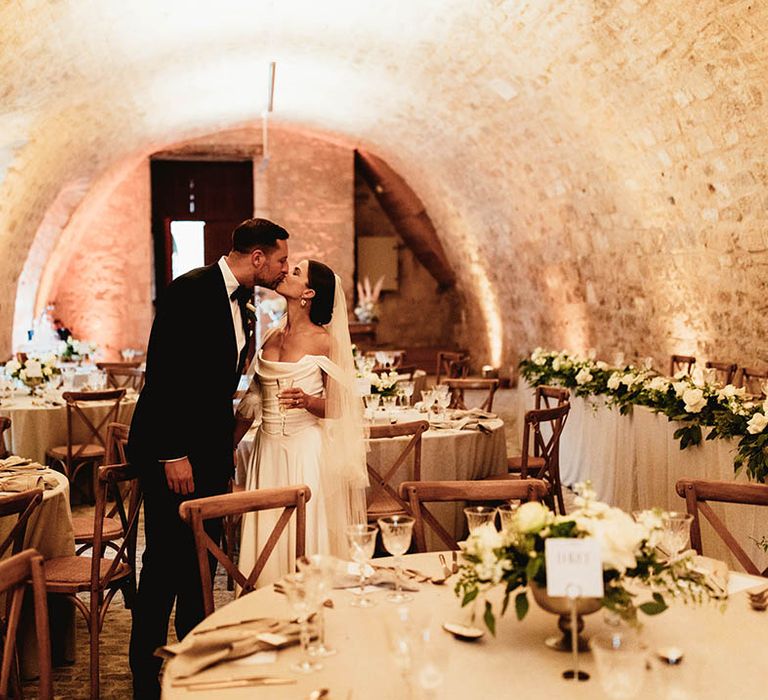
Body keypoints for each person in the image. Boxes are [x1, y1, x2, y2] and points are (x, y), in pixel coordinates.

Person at [126, 218, 289, 699]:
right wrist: (173, 453)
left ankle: (194, 671)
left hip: (212, 454)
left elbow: (218, 385)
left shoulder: (250, 309)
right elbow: (164, 378)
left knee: (203, 566)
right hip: (172, 454)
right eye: (280, 260)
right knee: (162, 567)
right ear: (257, 257)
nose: (283, 269)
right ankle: (144, 677)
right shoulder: (189, 290)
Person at [234, 259, 368, 587]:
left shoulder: (325, 342)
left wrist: (308, 402)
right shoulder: (271, 336)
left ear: (307, 293)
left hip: (305, 451)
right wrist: (228, 445)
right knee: (265, 536)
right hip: (266, 453)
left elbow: (342, 406)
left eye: (296, 272)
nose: (287, 272)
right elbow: (251, 401)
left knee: (304, 538)